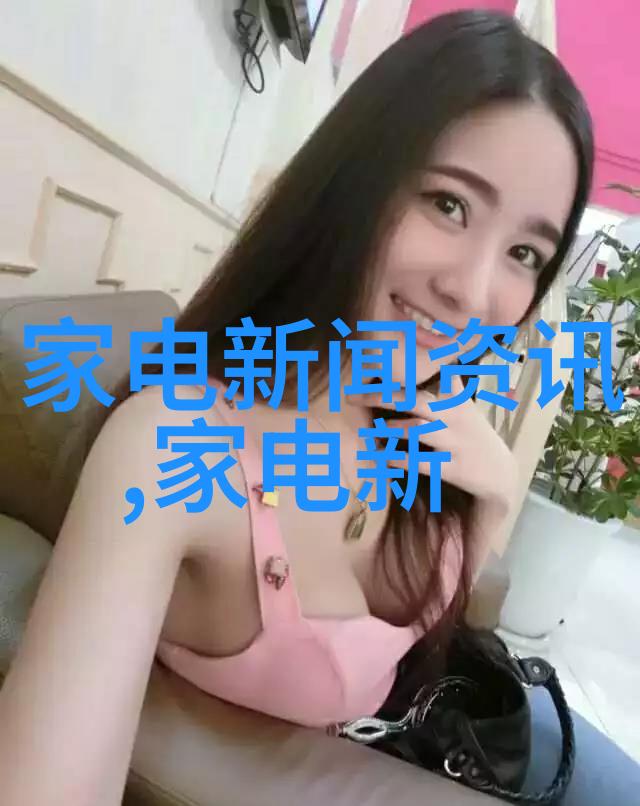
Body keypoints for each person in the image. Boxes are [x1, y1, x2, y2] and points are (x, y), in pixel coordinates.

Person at [0, 9, 637, 805]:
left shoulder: (425, 421)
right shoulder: (176, 442)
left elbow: (438, 640)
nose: (473, 293)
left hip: (451, 730)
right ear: (355, 184)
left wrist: (496, 493)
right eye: (448, 204)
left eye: (523, 253)